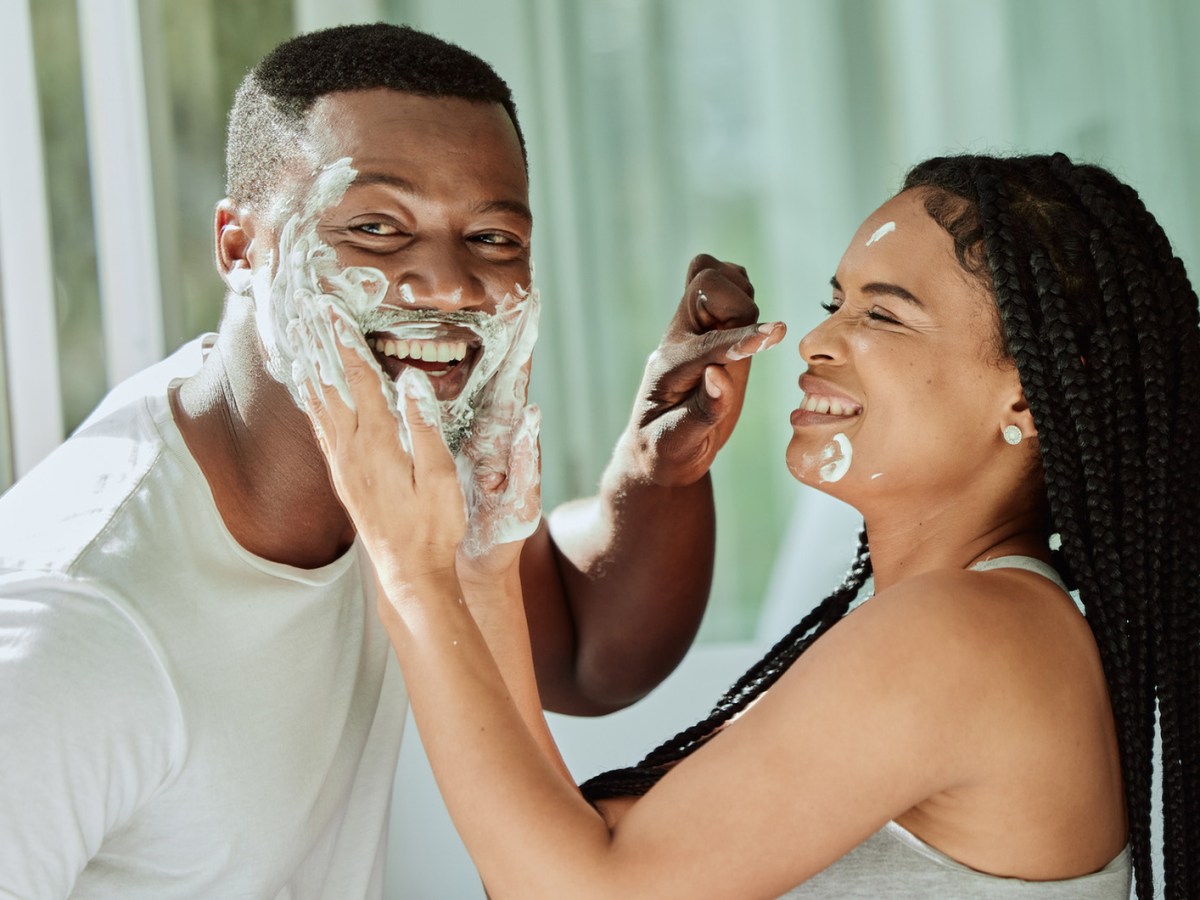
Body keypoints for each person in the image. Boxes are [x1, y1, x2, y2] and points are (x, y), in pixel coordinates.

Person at [0, 24, 786, 897]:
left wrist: (658, 471)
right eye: (377, 228)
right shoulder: (69, 628)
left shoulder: (395, 469)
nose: (448, 285)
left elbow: (584, 653)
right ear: (240, 247)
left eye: (493, 239)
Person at [306, 152, 1199, 898]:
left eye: (884, 314)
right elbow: (546, 867)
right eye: (836, 302)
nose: (817, 341)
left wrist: (413, 575)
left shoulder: (966, 635)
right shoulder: (975, 622)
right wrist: (485, 566)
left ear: (1029, 396)